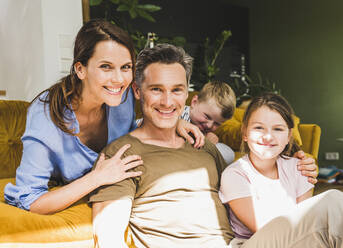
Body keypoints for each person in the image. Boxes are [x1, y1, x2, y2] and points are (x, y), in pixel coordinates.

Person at [4, 19, 203, 215]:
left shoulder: (122, 97)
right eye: (106, 67)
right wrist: (96, 178)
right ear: (80, 69)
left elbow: (130, 130)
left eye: (126, 67)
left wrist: (171, 124)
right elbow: (30, 200)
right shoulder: (45, 114)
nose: (118, 79)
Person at [90, 43, 234, 247]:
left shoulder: (200, 143)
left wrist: (293, 163)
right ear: (137, 91)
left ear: (187, 95)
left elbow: (244, 190)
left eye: (177, 90)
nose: (167, 102)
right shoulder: (121, 156)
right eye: (157, 89)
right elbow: (109, 237)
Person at [219, 92, 343, 247]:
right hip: (254, 243)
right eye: (259, 128)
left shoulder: (298, 167)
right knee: (333, 201)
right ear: (245, 132)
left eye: (278, 129)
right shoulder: (235, 175)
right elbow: (265, 226)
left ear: (288, 136)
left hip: (297, 241)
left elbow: (305, 225)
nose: (268, 137)